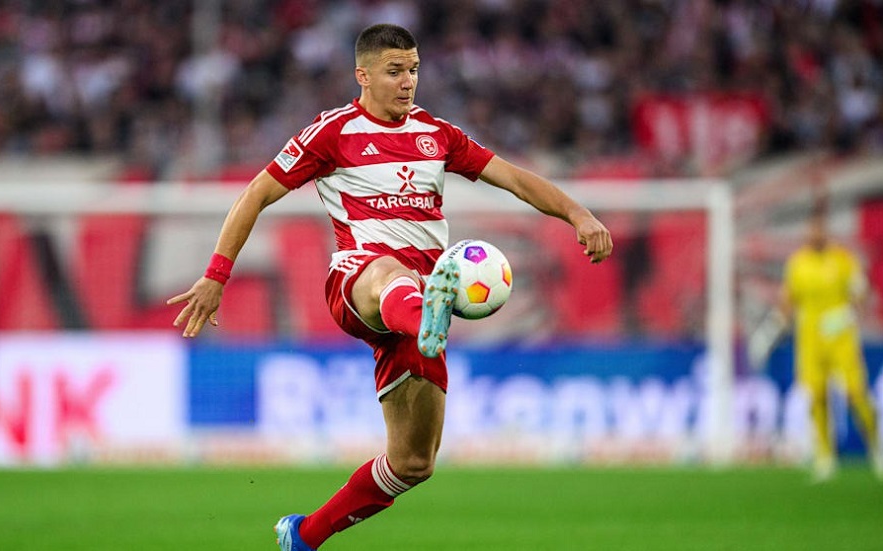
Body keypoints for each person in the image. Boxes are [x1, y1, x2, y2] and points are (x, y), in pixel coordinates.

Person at [167, 23, 613, 550]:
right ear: (363, 75)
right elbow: (256, 194)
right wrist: (216, 275)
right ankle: (427, 314)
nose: (407, 81)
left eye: (414, 70)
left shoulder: (437, 134)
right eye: (394, 71)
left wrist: (578, 213)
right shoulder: (331, 133)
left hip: (417, 302)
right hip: (359, 280)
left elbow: (514, 178)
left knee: (413, 462)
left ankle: (303, 535)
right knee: (390, 273)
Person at [780, 204, 883, 482]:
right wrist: (781, 321)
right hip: (810, 340)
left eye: (819, 228)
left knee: (856, 393)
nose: (814, 233)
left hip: (841, 338)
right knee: (816, 395)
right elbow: (788, 300)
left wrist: (849, 313)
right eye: (811, 229)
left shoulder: (843, 260)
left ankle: (876, 447)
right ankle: (825, 457)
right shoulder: (798, 263)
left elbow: (862, 293)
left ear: (825, 231)